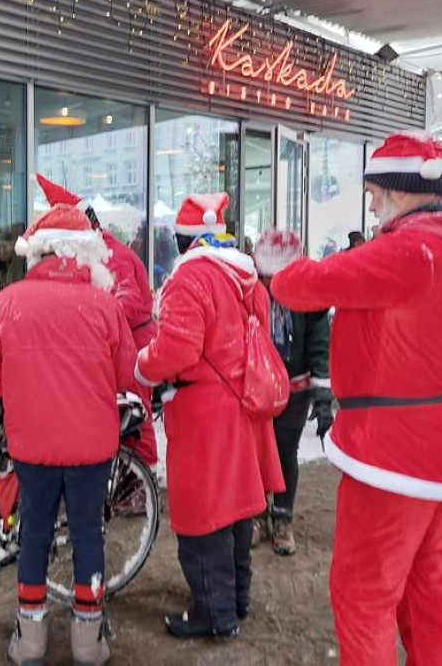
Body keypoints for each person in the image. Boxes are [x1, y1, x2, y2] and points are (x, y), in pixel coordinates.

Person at [271, 132, 442, 665]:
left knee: (362, 593)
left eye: (375, 192)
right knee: (427, 587)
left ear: (401, 191)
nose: (371, 204)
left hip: (394, 452)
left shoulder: (409, 251)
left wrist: (283, 263)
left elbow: (304, 286)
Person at [0, 204, 136, 666]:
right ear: (83, 253)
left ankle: (30, 640)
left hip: (32, 445)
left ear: (39, 253)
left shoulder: (7, 302)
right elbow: (126, 372)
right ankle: (88, 642)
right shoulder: (105, 305)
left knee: (35, 533)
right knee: (89, 532)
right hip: (91, 446)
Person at [134, 193, 283, 641]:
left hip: (204, 415)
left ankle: (215, 615)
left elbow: (178, 348)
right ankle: (236, 600)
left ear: (184, 240)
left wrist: (144, 364)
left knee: (203, 518)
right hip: (243, 407)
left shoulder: (189, 279)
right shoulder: (245, 275)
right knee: (236, 511)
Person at [34, 174, 159, 471]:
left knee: (134, 413)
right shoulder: (96, 251)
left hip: (133, 346)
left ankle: (143, 481)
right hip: (116, 345)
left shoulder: (112, 255)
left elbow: (125, 305)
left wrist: (89, 324)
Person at [252, 228, 333, 555]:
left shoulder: (310, 300)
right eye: (266, 275)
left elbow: (319, 348)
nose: (271, 283)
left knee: (285, 451)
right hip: (257, 388)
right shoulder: (249, 292)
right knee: (257, 453)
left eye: (277, 275)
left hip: (295, 389)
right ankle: (256, 514)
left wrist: (323, 398)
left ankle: (282, 517)